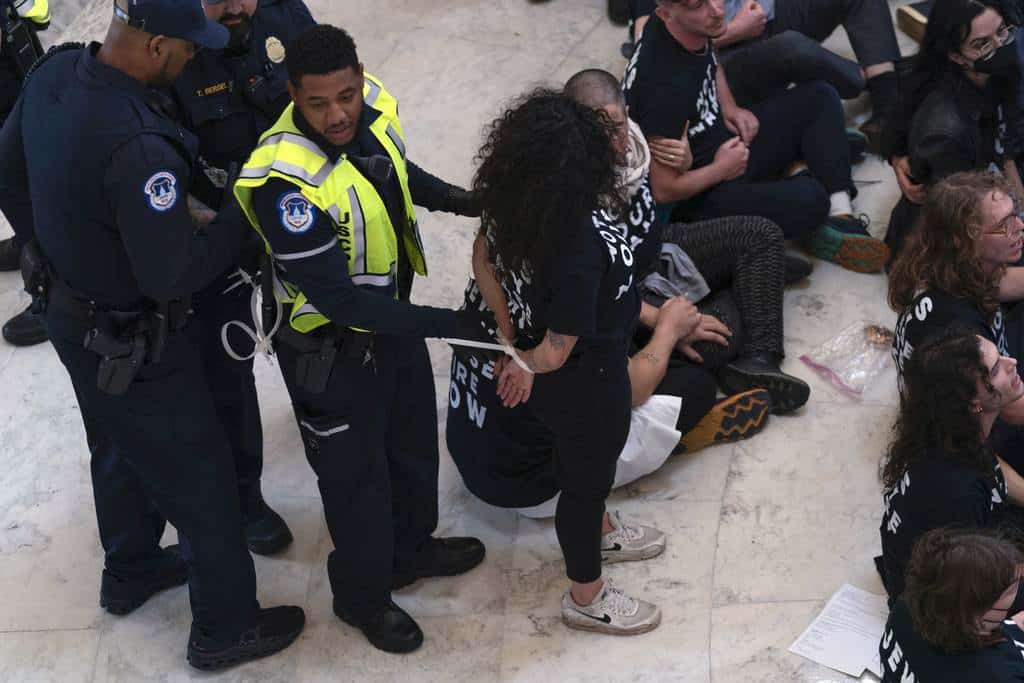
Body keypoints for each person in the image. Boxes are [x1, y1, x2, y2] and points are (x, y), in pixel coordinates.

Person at [0, 0, 305, 670]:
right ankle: (226, 628)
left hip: (70, 316)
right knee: (202, 478)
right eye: (186, 47)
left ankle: (131, 569)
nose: (195, 56)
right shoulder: (137, 144)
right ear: (154, 43)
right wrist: (240, 215)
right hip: (137, 341)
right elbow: (174, 274)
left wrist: (51, 244)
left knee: (115, 444)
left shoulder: (53, 76)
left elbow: (9, 168)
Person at [232, 25, 486, 653]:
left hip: (390, 326)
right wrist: (456, 326)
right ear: (293, 95)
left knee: (412, 447)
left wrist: (467, 201)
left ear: (359, 76)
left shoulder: (371, 105)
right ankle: (363, 597)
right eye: (317, 103)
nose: (338, 113)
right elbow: (342, 302)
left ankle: (411, 550)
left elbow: (397, 174)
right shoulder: (282, 181)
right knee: (356, 485)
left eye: (345, 95)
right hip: (330, 354)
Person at [473, 88, 666, 635]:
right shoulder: (575, 249)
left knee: (587, 475)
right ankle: (587, 594)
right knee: (583, 487)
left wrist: (512, 342)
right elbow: (557, 352)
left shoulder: (523, 209)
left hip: (577, 373)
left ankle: (603, 526)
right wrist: (525, 359)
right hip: (589, 385)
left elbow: (481, 254)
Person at [166, 0, 320, 556]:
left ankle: (336, 453)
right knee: (226, 374)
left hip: (300, 219)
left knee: (318, 344)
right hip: (221, 234)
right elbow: (166, 175)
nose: (233, 7)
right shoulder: (170, 45)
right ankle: (244, 498)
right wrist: (223, 227)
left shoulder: (285, 16)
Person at [562, 68, 809, 410]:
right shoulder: (568, 191)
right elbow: (596, 296)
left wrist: (687, 160)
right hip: (627, 297)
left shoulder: (634, 142)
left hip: (658, 249)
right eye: (595, 131)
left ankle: (758, 359)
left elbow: (661, 205)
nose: (611, 140)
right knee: (715, 334)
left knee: (763, 236)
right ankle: (749, 287)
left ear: (627, 114)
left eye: (615, 126)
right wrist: (663, 322)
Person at [624, 0, 891, 274]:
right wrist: (721, 169)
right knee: (811, 198)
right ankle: (817, 167)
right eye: (697, 5)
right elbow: (664, 190)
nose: (716, 10)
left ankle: (841, 212)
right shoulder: (663, 90)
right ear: (666, 14)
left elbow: (709, 57)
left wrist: (729, 107)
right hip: (703, 195)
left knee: (821, 97)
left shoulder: (686, 29)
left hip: (727, 144)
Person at [627, 0, 900, 151]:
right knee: (793, 48)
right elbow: (649, 44)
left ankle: (887, 105)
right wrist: (735, 30)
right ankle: (869, 79)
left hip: (771, 14)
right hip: (728, 55)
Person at [878, 326, 1024, 600]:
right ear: (973, 404)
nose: (1012, 363)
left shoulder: (951, 434)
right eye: (995, 371)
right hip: (948, 604)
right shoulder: (957, 489)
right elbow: (972, 593)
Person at [883, 0, 1021, 262]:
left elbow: (1005, 148)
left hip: (989, 193)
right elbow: (967, 234)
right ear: (956, 56)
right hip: (952, 248)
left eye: (1002, 30)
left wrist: (1019, 201)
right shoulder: (944, 131)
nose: (1000, 46)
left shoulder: (995, 73)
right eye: (982, 44)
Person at [880, 528, 1024, 682]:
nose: (1018, 588)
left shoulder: (906, 607)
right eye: (1012, 588)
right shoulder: (999, 674)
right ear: (978, 613)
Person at [0, 0, 49, 347]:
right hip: (16, 33)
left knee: (11, 168)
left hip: (7, 46)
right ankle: (30, 243)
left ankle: (54, 284)